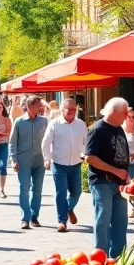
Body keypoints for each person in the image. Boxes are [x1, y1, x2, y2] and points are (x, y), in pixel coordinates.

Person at [86, 98, 130, 258]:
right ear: (114, 112)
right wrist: (115, 170)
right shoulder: (97, 129)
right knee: (103, 219)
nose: (127, 117)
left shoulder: (119, 128)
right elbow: (90, 157)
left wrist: (125, 172)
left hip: (119, 182)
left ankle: (118, 258)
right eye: (125, 113)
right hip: (102, 180)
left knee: (121, 221)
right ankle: (101, 258)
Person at [41, 98, 87, 232]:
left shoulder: (81, 124)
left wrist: (86, 155)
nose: (72, 112)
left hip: (76, 163)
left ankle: (68, 208)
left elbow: (87, 142)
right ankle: (62, 221)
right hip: (59, 163)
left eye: (74, 109)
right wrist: (46, 159)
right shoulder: (55, 124)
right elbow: (46, 143)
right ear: (62, 110)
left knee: (76, 192)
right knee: (61, 193)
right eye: (69, 110)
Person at [10, 95, 48, 229]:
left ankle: (34, 216)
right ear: (30, 106)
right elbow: (12, 142)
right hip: (23, 160)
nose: (41, 107)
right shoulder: (19, 122)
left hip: (39, 160)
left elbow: (49, 141)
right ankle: (25, 218)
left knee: (38, 189)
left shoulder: (44, 121)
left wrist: (48, 158)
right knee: (24, 188)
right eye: (38, 105)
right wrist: (14, 160)